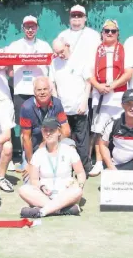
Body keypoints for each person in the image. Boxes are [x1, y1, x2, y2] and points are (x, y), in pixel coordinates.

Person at [88, 19, 133, 176]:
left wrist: (112, 85)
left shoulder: (124, 49)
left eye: (113, 31)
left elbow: (129, 73)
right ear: (102, 33)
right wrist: (99, 86)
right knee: (100, 130)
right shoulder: (95, 50)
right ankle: (99, 163)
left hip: (119, 96)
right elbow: (89, 74)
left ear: (117, 33)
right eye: (106, 30)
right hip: (100, 95)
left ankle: (120, 161)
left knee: (121, 130)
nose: (109, 33)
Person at [19, 117, 85, 218]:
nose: (48, 133)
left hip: (65, 194)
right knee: (23, 189)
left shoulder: (69, 150)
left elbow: (80, 173)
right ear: (42, 132)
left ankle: (42, 211)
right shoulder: (38, 154)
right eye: (45, 130)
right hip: (45, 195)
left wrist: (79, 184)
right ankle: (59, 210)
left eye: (52, 130)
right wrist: (41, 187)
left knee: (78, 191)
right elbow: (34, 180)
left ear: (59, 132)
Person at [50, 38, 92, 175]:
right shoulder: (54, 63)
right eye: (57, 53)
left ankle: (84, 169)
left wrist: (84, 102)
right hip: (62, 111)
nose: (60, 55)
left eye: (61, 51)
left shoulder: (80, 60)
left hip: (79, 108)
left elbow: (88, 83)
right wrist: (57, 103)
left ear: (68, 45)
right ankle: (65, 169)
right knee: (63, 139)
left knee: (81, 141)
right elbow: (52, 84)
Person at [20, 76, 70, 181]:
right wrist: (31, 163)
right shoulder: (26, 107)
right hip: (33, 148)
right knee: (29, 181)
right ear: (34, 92)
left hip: (52, 145)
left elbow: (66, 131)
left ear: (51, 91)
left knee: (70, 144)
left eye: (45, 89)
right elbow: (26, 137)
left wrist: (47, 143)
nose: (42, 92)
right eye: (39, 90)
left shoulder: (57, 103)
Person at [6, 15, 53, 125]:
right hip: (21, 91)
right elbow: (6, 62)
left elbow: (52, 65)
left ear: (37, 28)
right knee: (24, 126)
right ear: (23, 28)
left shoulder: (44, 46)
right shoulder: (14, 45)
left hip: (41, 92)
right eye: (27, 27)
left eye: (33, 27)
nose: (30, 30)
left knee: (42, 125)